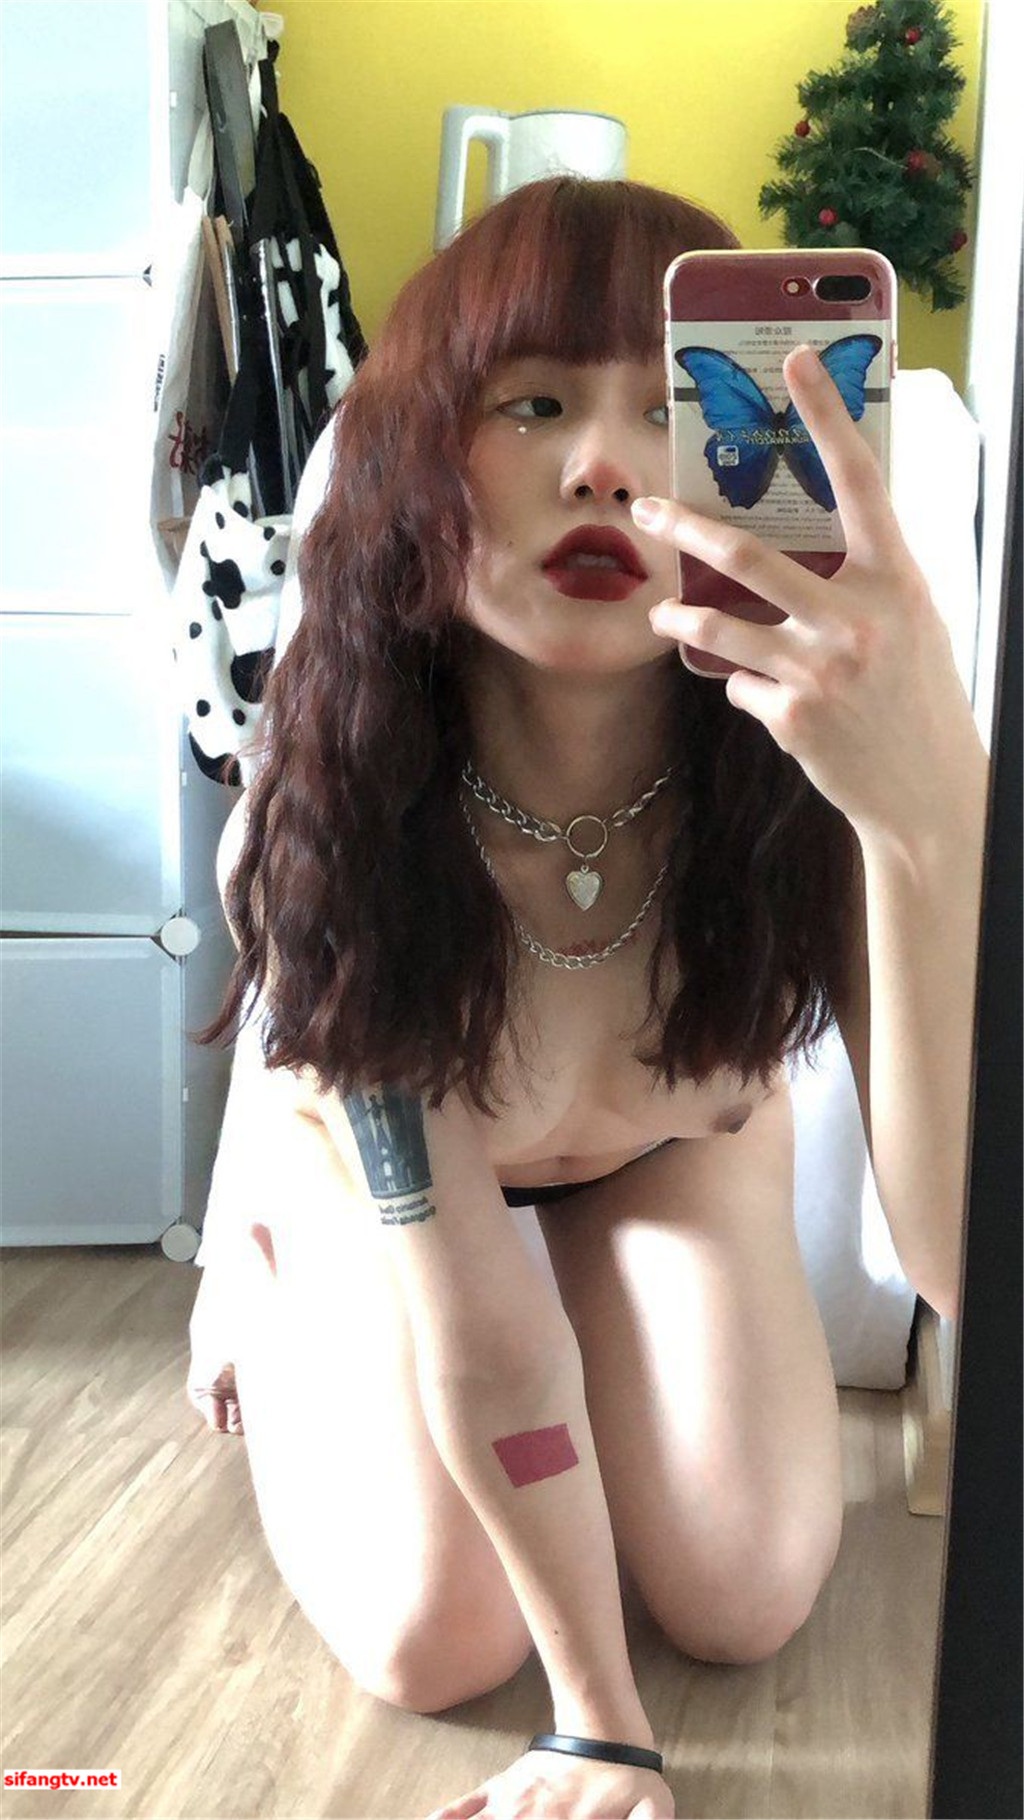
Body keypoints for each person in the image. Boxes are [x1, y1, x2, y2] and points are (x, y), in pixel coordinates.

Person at [188, 177, 872, 1820]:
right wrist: (597, 1725)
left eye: (672, 407)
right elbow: (490, 1342)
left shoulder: (817, 784)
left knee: (745, 1594)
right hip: (409, 1185)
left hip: (667, 1157)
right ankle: (259, 1265)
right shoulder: (332, 828)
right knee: (438, 1639)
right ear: (420, 458)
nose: (606, 468)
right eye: (536, 404)